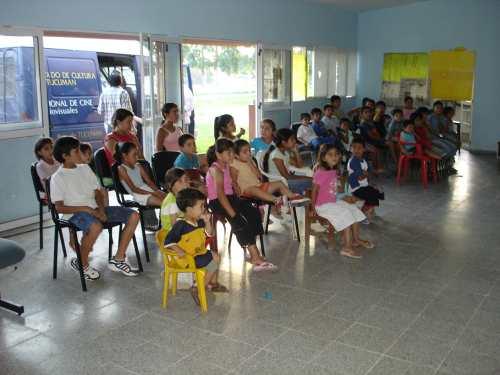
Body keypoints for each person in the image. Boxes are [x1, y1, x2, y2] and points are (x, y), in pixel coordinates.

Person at [50, 136, 140, 279]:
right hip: (74, 214)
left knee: (134, 215)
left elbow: (97, 192)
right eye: (76, 151)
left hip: (95, 209)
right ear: (65, 156)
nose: (80, 153)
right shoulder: (57, 177)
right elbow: (59, 208)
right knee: (95, 226)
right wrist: (86, 209)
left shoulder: (85, 168)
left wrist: (101, 209)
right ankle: (83, 264)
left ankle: (118, 258)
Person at [206, 139, 275, 271]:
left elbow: (230, 185)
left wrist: (234, 186)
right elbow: (220, 195)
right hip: (218, 202)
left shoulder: (226, 166)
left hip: (230, 198)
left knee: (253, 212)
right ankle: (254, 255)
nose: (232, 155)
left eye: (233, 152)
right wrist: (232, 213)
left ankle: (252, 248)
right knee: (239, 221)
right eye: (229, 153)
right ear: (218, 154)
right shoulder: (216, 170)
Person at [164, 188, 227, 303]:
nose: (204, 209)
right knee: (215, 258)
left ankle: (204, 284)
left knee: (216, 257)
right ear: (189, 209)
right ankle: (198, 288)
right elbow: (168, 241)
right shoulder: (181, 225)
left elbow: (209, 233)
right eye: (201, 206)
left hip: (198, 253)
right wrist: (180, 251)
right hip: (187, 258)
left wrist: (208, 222)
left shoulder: (199, 221)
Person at [311, 144, 372, 259]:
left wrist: (340, 192)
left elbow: (334, 189)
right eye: (330, 155)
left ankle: (356, 240)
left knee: (353, 209)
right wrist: (313, 207)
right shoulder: (320, 172)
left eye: (336, 154)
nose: (334, 157)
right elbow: (314, 190)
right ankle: (346, 247)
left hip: (332, 202)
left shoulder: (333, 170)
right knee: (346, 214)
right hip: (322, 205)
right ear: (323, 157)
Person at [230, 139, 308, 205]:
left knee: (279, 183)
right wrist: (236, 189)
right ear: (236, 155)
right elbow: (233, 180)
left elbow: (259, 176)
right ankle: (276, 199)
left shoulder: (250, 161)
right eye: (245, 152)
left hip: (259, 186)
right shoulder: (235, 164)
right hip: (246, 190)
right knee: (254, 189)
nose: (249, 153)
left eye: (249, 150)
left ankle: (292, 197)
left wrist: (250, 163)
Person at [263, 128, 312, 194]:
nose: (295, 141)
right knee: (312, 182)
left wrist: (296, 152)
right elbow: (286, 176)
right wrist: (306, 178)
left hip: (286, 179)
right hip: (280, 182)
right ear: (284, 142)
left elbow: (300, 165)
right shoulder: (276, 155)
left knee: (312, 178)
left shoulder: (285, 152)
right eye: (292, 139)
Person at [117, 142, 166, 207]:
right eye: (134, 155)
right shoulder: (121, 169)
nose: (137, 157)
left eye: (137, 154)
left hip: (146, 189)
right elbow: (133, 189)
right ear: (124, 156)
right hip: (138, 194)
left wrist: (157, 191)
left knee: (169, 199)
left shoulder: (138, 165)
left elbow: (149, 182)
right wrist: (153, 193)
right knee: (164, 203)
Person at [347, 137, 385, 222]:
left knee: (377, 191)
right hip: (356, 188)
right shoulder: (353, 161)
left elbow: (368, 171)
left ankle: (369, 209)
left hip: (363, 185)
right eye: (354, 147)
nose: (356, 150)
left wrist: (376, 171)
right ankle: (362, 214)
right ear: (350, 148)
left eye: (359, 148)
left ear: (364, 149)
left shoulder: (363, 160)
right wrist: (367, 174)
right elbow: (360, 177)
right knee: (373, 195)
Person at [159, 168, 190, 236]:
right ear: (170, 185)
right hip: (170, 235)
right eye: (180, 181)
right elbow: (175, 227)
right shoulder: (173, 203)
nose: (185, 183)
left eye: (186, 180)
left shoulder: (177, 196)